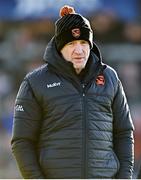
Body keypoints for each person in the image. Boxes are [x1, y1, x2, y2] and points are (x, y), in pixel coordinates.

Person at [11, 5, 134, 179]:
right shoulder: (35, 82)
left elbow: (124, 133)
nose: (79, 50)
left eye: (83, 42)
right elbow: (22, 141)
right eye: (71, 43)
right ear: (59, 46)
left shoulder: (110, 77)